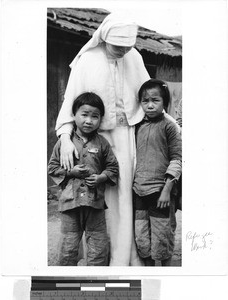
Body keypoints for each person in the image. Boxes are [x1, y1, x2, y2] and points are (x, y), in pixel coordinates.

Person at [54, 13, 151, 266]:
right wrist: (65, 137)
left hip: (126, 135)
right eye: (117, 47)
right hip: (94, 137)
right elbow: (71, 102)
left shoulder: (135, 57)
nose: (122, 52)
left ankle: (123, 257)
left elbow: (148, 94)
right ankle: (98, 258)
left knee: (122, 193)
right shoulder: (88, 59)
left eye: (127, 47)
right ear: (105, 38)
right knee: (96, 194)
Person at [48, 92, 119, 266]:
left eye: (95, 116)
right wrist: (71, 173)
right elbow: (52, 168)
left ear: (100, 119)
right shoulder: (65, 143)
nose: (89, 120)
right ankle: (66, 279)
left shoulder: (102, 143)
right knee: (68, 246)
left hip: (95, 204)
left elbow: (113, 168)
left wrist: (101, 178)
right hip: (70, 204)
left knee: (98, 246)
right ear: (74, 115)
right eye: (84, 114)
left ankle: (96, 279)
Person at [133, 79, 182, 266]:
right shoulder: (137, 126)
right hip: (138, 191)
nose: (150, 105)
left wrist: (167, 190)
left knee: (162, 237)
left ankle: (167, 275)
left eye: (156, 100)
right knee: (142, 239)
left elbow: (177, 159)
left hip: (161, 193)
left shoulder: (169, 126)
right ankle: (149, 277)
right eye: (145, 101)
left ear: (165, 102)